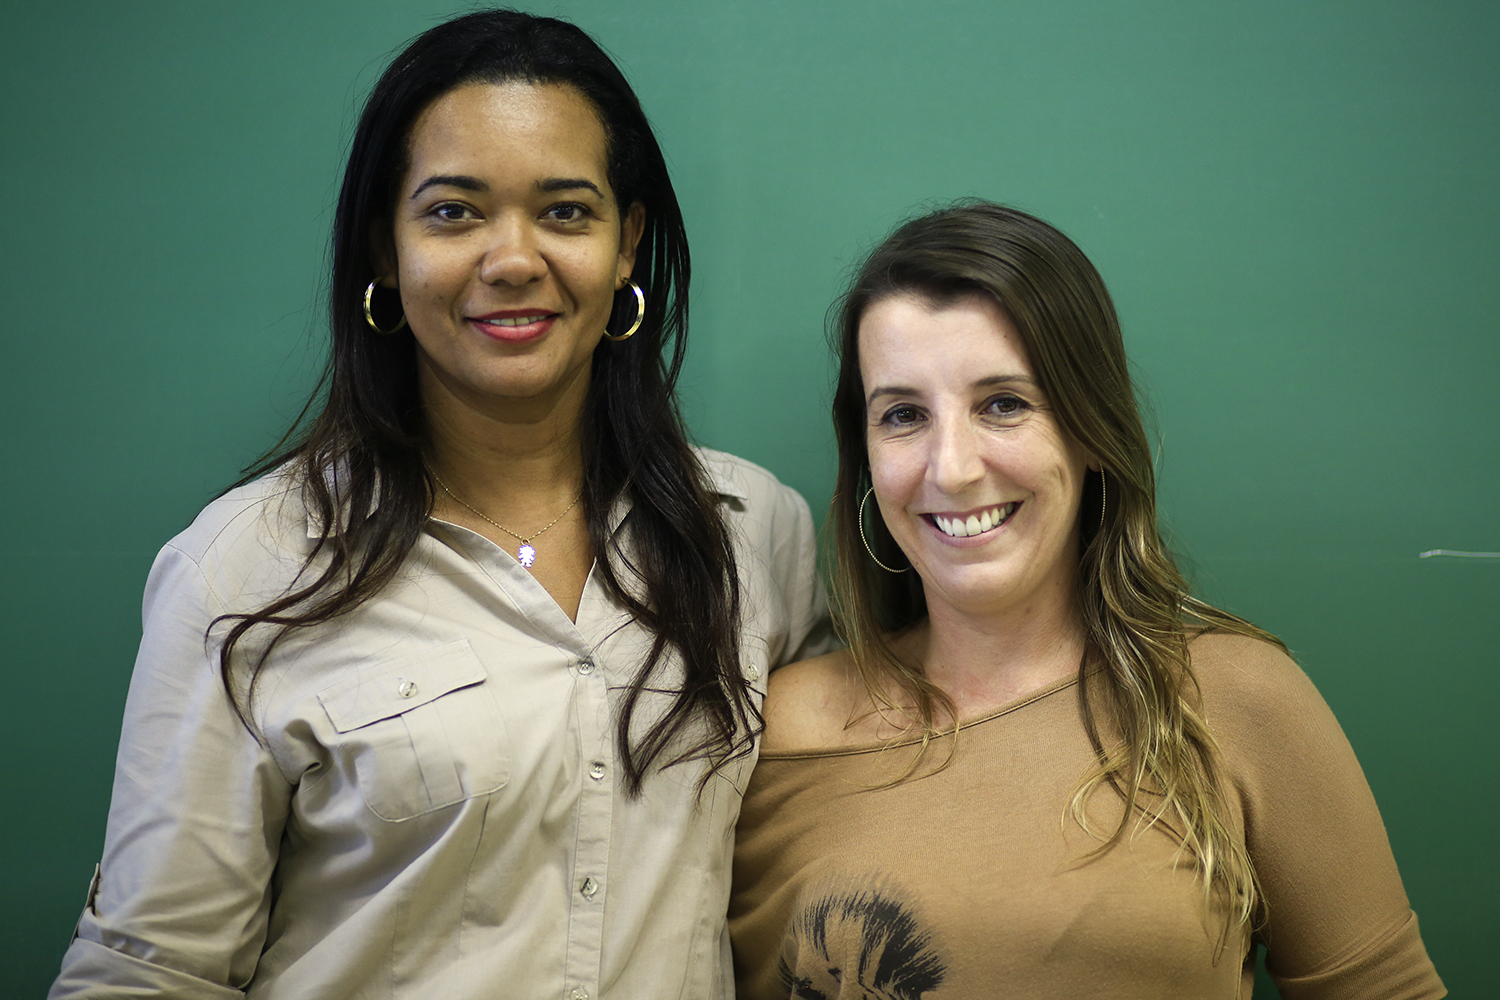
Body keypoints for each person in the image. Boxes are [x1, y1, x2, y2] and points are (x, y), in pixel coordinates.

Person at [51, 11, 828, 999]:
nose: (512, 258)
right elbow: (145, 973)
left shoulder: (753, 532)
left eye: (565, 212)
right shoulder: (243, 569)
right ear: (386, 246)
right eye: (455, 212)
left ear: (628, 243)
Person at [728, 202, 1444, 999]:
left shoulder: (1236, 702)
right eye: (903, 415)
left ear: (1092, 429)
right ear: (865, 455)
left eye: (1004, 403)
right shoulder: (768, 732)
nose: (953, 467)